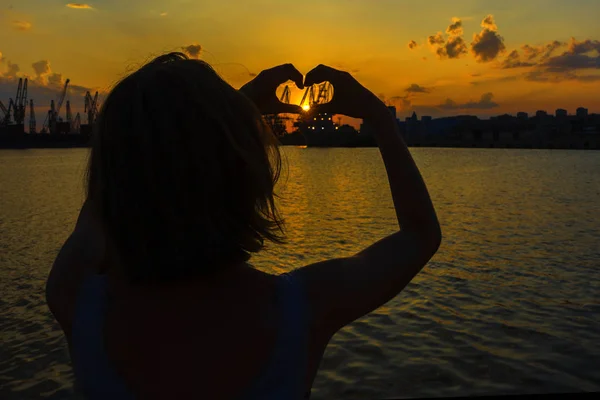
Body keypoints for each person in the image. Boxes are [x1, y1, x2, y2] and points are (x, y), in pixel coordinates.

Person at [46, 52, 441, 399]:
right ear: (246, 172)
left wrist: (230, 111)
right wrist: (377, 115)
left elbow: (112, 190)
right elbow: (419, 235)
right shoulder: (302, 309)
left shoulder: (76, 298)